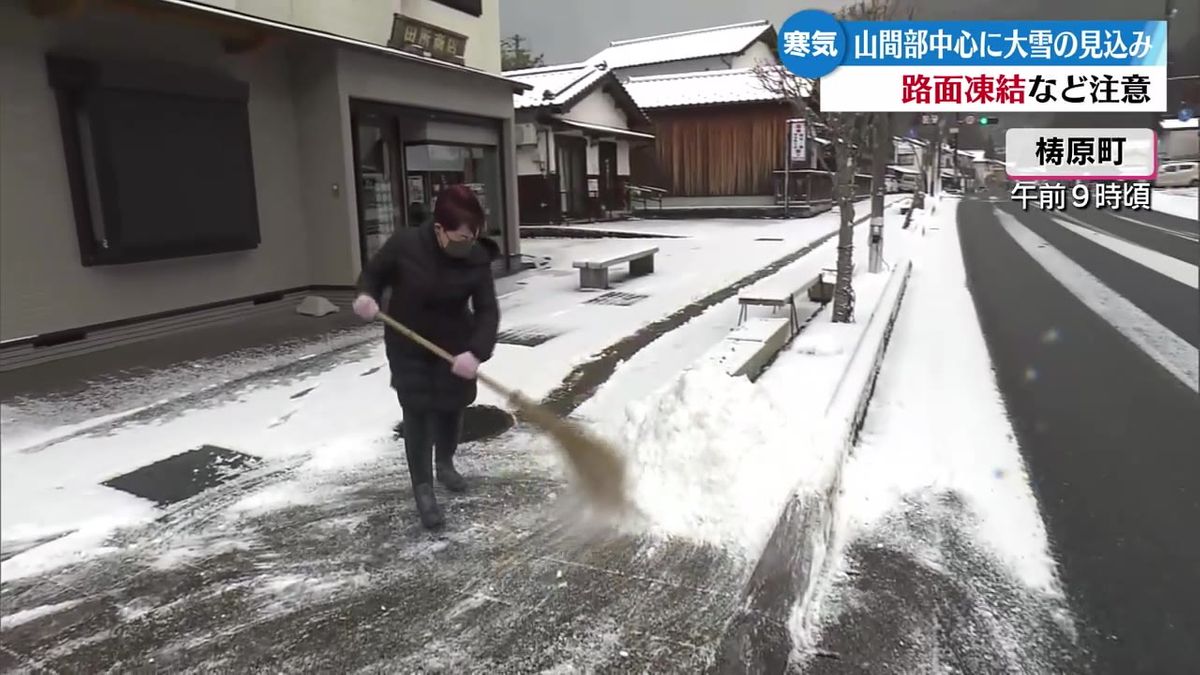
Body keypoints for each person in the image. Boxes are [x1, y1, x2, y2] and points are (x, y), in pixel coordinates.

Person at [352, 184, 501, 530]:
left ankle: (445, 462)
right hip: (409, 342)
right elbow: (373, 275)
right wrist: (366, 297)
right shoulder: (405, 246)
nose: (468, 243)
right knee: (417, 411)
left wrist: (476, 352)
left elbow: (487, 310)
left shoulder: (476, 258)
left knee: (453, 405)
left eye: (473, 236)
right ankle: (423, 489)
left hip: (454, 345)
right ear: (438, 229)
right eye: (460, 237)